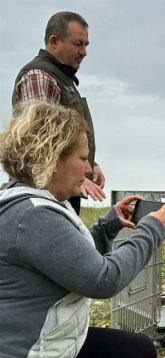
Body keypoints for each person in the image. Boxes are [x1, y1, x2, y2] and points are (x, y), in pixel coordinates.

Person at [0, 102, 165, 358]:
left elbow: (67, 262)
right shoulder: (32, 215)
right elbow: (101, 278)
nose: (88, 167)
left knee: (135, 353)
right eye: (82, 157)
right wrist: (150, 231)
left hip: (37, 357)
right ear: (53, 158)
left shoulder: (37, 204)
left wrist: (109, 225)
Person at [11, 11, 105, 214]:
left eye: (86, 45)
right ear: (54, 41)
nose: (84, 52)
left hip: (56, 194)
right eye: (78, 44)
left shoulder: (62, 79)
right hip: (42, 198)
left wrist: (90, 165)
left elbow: (66, 140)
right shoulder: (40, 77)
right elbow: (39, 143)